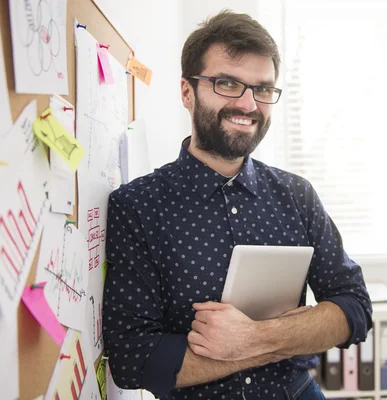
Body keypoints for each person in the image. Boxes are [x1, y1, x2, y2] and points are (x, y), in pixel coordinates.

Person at [103, 10, 372, 400]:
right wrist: (280, 342)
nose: (248, 104)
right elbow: (132, 359)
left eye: (262, 89)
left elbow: (355, 308)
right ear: (186, 91)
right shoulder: (138, 207)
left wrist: (255, 336)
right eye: (228, 83)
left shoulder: (297, 196)